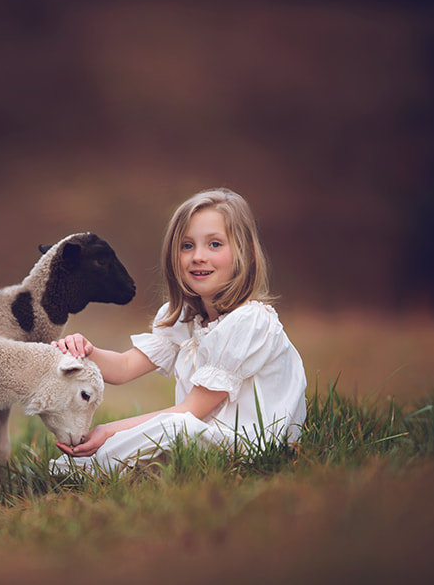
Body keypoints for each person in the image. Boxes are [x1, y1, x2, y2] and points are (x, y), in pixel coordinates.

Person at [50, 188, 307, 474]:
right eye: (187, 246)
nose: (198, 256)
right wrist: (86, 350)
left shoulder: (250, 321)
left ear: (244, 253)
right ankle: (86, 470)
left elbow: (192, 410)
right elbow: (123, 367)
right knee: (169, 431)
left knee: (174, 427)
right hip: (202, 434)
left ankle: (93, 469)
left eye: (214, 244)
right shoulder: (184, 317)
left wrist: (108, 431)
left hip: (251, 445)